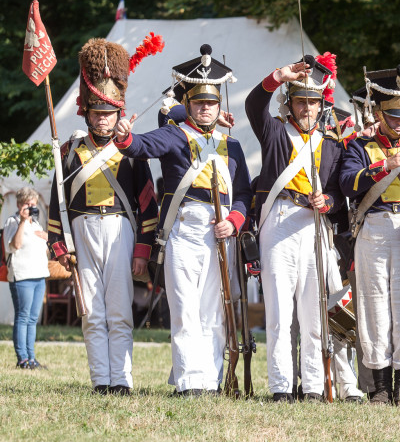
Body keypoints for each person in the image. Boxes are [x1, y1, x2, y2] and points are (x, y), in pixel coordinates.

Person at [114, 45, 252, 397]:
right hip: (185, 230)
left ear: (219, 106)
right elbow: (140, 146)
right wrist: (123, 135)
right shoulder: (176, 134)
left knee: (215, 312)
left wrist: (235, 221)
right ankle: (190, 381)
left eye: (211, 103)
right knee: (185, 308)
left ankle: (210, 379)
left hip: (221, 235)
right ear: (188, 104)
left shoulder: (231, 145)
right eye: (199, 103)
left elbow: (243, 194)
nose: (205, 109)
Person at [48, 38, 159, 394]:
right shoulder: (68, 152)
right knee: (91, 311)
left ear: (119, 114)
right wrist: (59, 246)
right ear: (87, 113)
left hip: (119, 229)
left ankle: (122, 381)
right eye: (97, 113)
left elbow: (147, 205)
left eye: (109, 113)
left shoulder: (132, 151)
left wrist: (142, 252)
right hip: (81, 231)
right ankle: (101, 381)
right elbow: (56, 205)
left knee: (119, 311)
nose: (103, 119)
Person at [245, 54, 345, 402]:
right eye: (301, 101)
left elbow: (337, 190)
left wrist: (328, 202)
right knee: (279, 312)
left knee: (315, 313)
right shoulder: (274, 131)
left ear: (321, 106)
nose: (307, 109)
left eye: (313, 102)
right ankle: (281, 387)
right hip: (281, 218)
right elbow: (253, 103)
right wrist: (277, 77)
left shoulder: (332, 144)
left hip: (314, 225)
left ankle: (314, 387)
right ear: (289, 104)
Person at [339, 64, 400, 406]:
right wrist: (385, 165)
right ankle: (380, 385)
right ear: (379, 112)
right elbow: (348, 184)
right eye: (393, 116)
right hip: (374, 225)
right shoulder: (360, 146)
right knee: (374, 305)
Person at [5, 188, 50, 370]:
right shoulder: (12, 222)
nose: (31, 208)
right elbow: (14, 246)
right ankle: (22, 358)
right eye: (27, 204)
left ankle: (31, 358)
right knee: (22, 317)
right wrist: (23, 221)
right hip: (22, 275)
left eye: (33, 204)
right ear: (19, 204)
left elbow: (44, 250)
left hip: (39, 274)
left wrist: (47, 238)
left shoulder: (37, 224)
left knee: (32, 318)